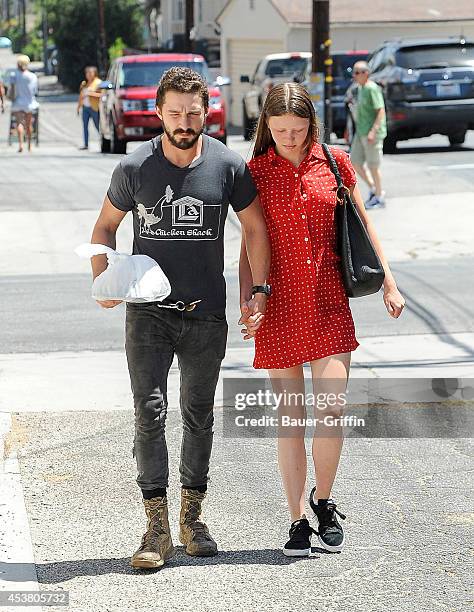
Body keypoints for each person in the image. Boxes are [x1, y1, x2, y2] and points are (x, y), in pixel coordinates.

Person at [90, 67, 270, 569]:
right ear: (159, 112)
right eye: (175, 113)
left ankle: (192, 518)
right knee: (149, 415)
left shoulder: (228, 165)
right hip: (148, 316)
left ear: (205, 112)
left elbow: (254, 229)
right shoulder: (134, 168)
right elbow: (105, 227)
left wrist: (258, 291)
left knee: (199, 417)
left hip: (206, 313)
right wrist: (102, 280)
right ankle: (156, 527)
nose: (185, 121)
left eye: (194, 113)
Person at [239, 83, 404, 557]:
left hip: (330, 299)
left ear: (312, 124)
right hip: (280, 304)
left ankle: (324, 501)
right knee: (290, 419)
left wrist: (389, 281)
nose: (290, 138)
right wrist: (248, 300)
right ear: (266, 129)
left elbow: (363, 224)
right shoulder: (255, 173)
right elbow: (249, 243)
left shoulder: (332, 162)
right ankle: (295, 521)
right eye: (280, 131)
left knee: (330, 409)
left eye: (298, 129)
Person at [348, 61, 387, 209]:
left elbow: (380, 111)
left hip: (372, 133)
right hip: (361, 131)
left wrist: (373, 131)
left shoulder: (372, 89)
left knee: (373, 166)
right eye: (354, 72)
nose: (355, 76)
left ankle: (379, 196)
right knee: (355, 162)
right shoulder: (360, 88)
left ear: (366, 73)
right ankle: (373, 188)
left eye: (358, 72)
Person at [9, 55, 39, 153]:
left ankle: (21, 144)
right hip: (29, 103)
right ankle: (29, 145)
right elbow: (35, 91)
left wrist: (11, 98)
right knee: (28, 124)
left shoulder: (14, 75)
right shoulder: (32, 76)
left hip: (18, 102)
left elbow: (12, 90)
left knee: (19, 123)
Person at [77, 66, 102, 150]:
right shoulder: (84, 84)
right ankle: (86, 144)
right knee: (85, 126)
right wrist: (78, 107)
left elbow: (102, 95)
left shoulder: (98, 83)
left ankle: (103, 140)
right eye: (87, 73)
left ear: (95, 73)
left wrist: (90, 94)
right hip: (85, 107)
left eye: (91, 73)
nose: (89, 75)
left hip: (94, 107)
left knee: (97, 125)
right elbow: (81, 96)